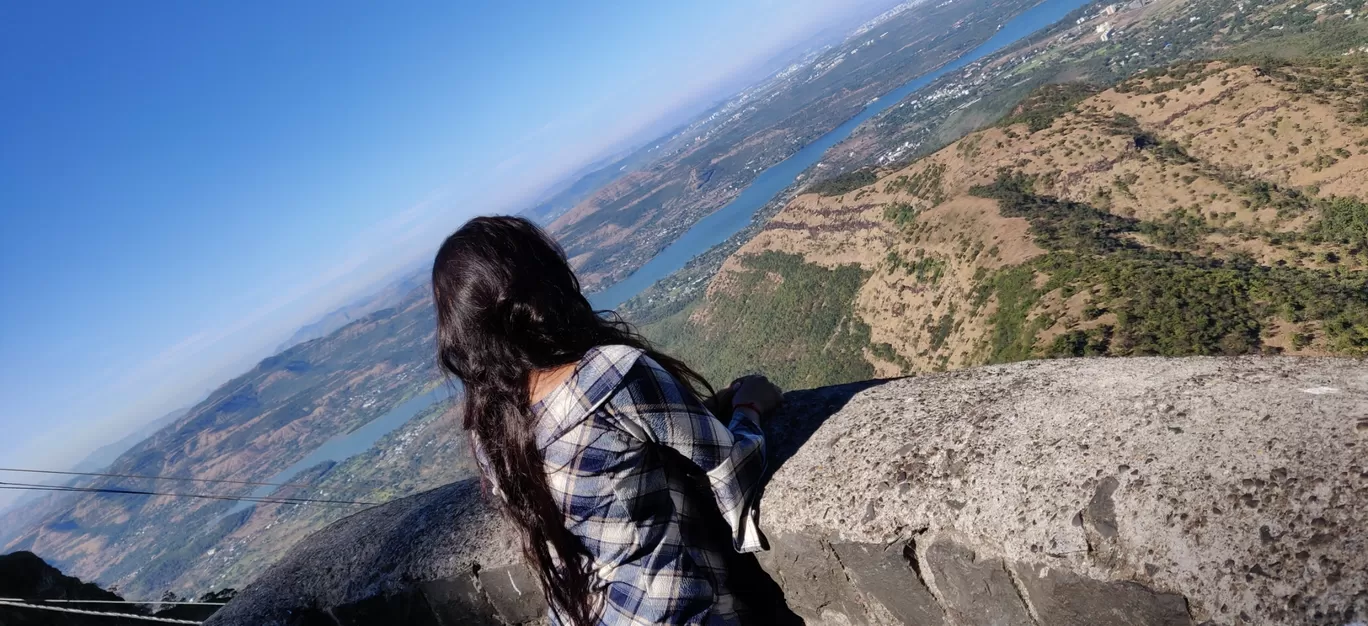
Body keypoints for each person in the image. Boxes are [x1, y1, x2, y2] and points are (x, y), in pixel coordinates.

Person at [431, 216, 787, 626]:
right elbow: (733, 471)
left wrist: (702, 408)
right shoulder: (612, 375)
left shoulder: (489, 432)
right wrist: (749, 408)